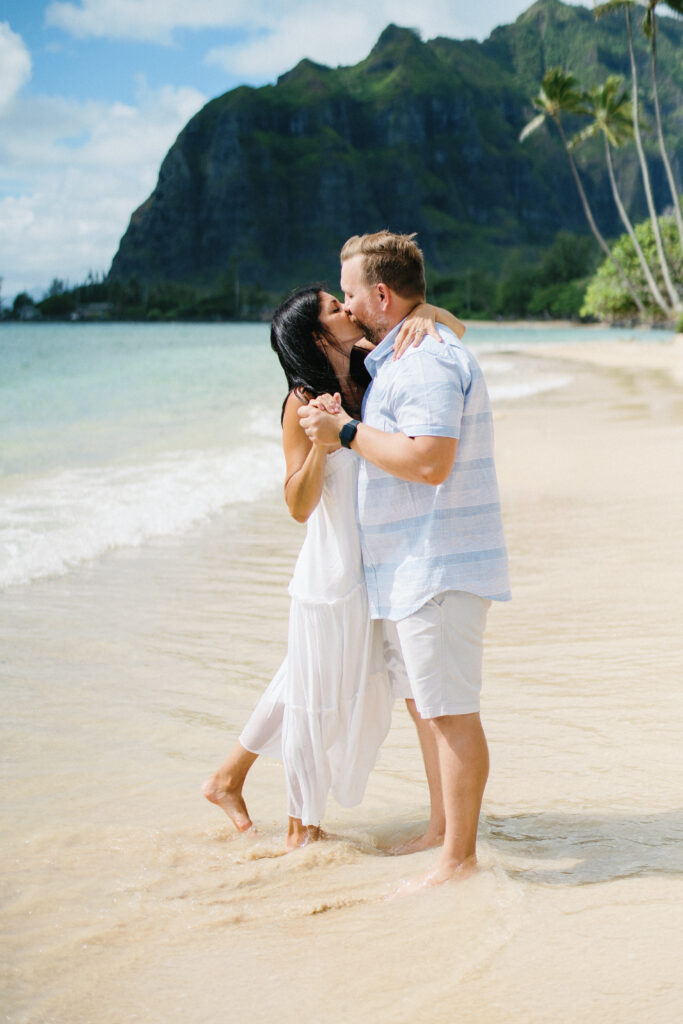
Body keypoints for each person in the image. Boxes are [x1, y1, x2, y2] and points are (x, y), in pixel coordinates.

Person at [203, 286, 467, 849]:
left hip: (382, 566)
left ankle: (228, 777)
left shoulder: (370, 372)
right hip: (330, 573)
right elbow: (298, 506)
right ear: (317, 335)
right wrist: (322, 442)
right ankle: (301, 831)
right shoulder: (302, 399)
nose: (347, 309)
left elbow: (456, 333)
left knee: (317, 680)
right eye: (332, 307)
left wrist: (423, 313)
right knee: (314, 697)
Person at [298, 232, 510, 887]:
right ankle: (442, 831)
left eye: (352, 292)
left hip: (436, 566)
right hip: (412, 568)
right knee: (428, 707)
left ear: (380, 295)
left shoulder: (421, 361)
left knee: (448, 711)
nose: (349, 305)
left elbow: (428, 460)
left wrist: (346, 434)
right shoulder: (396, 353)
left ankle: (459, 859)